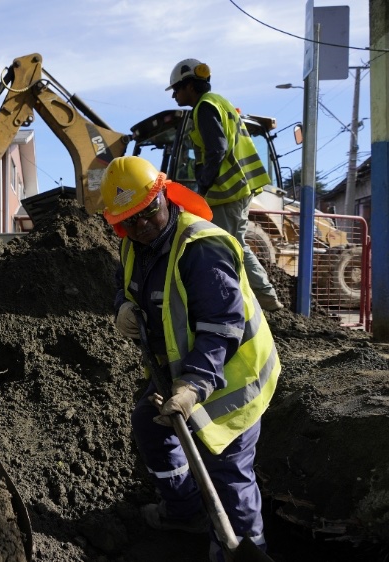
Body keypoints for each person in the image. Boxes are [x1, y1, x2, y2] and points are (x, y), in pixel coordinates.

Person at [101, 155, 280, 561]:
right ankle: (184, 511)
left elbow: (222, 326)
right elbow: (125, 286)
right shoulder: (134, 244)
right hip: (178, 373)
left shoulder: (201, 248)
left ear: (164, 195)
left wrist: (194, 386)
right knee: (150, 426)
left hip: (233, 379)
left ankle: (243, 550)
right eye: (130, 221)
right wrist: (122, 308)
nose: (141, 226)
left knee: (228, 475)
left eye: (148, 213)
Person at [167, 58, 284, 312]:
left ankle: (262, 298)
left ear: (190, 86)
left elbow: (217, 148)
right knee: (230, 243)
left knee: (230, 244)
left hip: (227, 191)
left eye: (176, 89)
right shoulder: (221, 103)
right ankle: (255, 297)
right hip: (237, 188)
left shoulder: (204, 107)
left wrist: (204, 185)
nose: (174, 95)